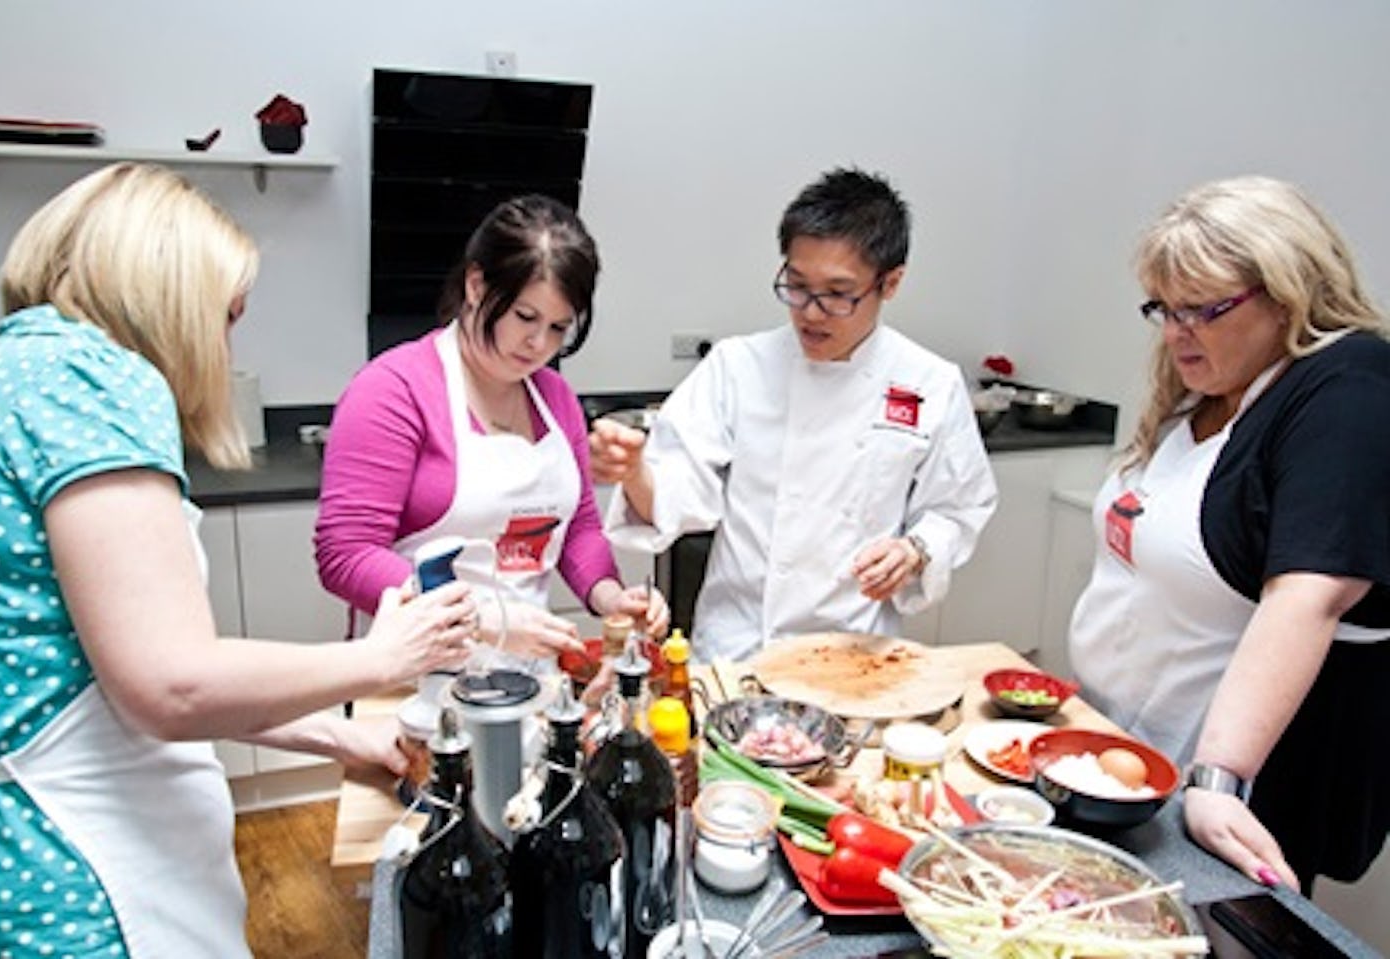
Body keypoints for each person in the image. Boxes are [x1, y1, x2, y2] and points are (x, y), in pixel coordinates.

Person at [0, 162, 479, 957]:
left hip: (9, 853)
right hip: (75, 874)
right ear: (166, 293)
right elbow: (173, 681)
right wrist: (381, 659)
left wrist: (341, 739)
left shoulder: (8, 371)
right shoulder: (89, 380)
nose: (226, 342)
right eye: (226, 315)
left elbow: (105, 674)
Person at [1068, 175, 1390, 893]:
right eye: (1165, 308)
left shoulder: (1348, 385)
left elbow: (1311, 593)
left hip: (1218, 785)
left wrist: (1219, 778)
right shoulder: (1207, 385)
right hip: (1117, 755)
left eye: (1203, 310)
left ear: (1287, 293)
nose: (1176, 331)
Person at [590, 168, 997, 661]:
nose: (810, 311)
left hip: (857, 654)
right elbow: (676, 487)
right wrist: (634, 472)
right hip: (738, 650)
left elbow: (958, 507)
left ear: (890, 283)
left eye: (837, 293)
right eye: (797, 285)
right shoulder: (738, 367)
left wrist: (916, 550)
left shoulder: (928, 383)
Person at [315, 195, 668, 677]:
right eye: (525, 318)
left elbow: (577, 528)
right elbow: (346, 555)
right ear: (477, 284)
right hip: (412, 682)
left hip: (525, 680)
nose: (539, 344)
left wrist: (611, 597)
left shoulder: (555, 398)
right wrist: (483, 617)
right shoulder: (393, 390)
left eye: (558, 327)